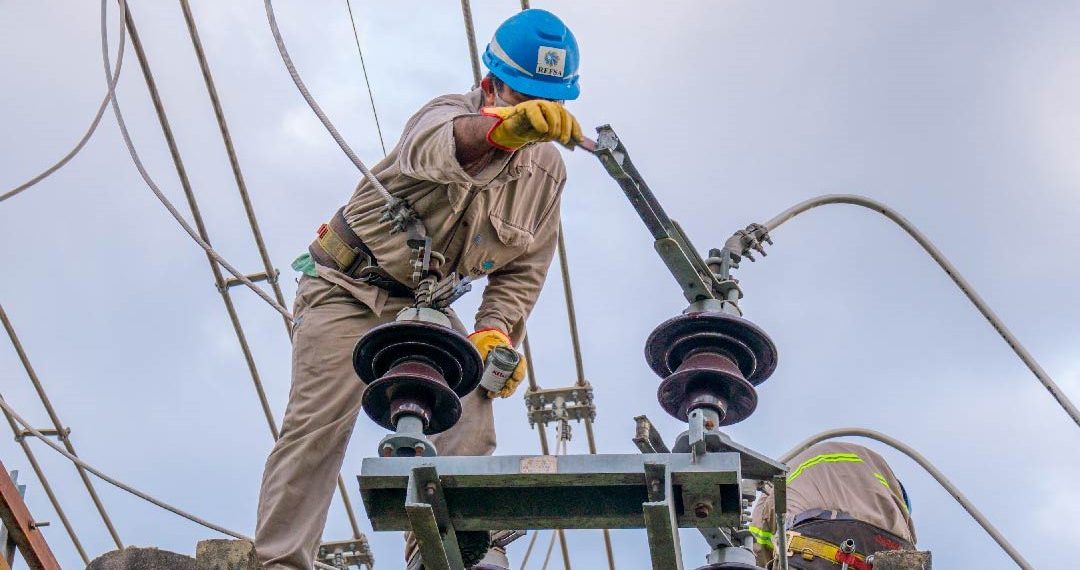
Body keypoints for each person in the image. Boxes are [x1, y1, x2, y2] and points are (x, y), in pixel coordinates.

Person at [253, 9, 584, 570]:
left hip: (423, 306)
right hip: (346, 288)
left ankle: (455, 557)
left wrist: (493, 330)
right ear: (488, 86)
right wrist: (499, 131)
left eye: (542, 103)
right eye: (518, 98)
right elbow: (435, 147)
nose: (531, 114)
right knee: (317, 426)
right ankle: (279, 562)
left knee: (473, 404)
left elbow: (523, 267)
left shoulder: (547, 173)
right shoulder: (447, 115)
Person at [749, 442, 916, 569]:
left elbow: (757, 547)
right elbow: (911, 546)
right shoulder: (886, 483)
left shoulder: (780, 477)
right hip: (891, 548)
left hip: (807, 550)